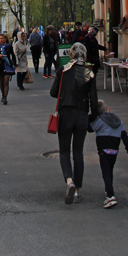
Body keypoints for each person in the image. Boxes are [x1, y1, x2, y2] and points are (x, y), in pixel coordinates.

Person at [50, 42, 98, 204]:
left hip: (66, 114)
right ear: (84, 55)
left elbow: (53, 92)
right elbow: (94, 101)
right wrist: (92, 119)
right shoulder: (90, 73)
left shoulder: (63, 71)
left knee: (64, 151)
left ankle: (69, 182)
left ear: (71, 54)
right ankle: (77, 190)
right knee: (78, 152)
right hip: (82, 115)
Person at [89, 100, 128, 208]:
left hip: (104, 150)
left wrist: (90, 116)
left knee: (106, 172)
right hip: (114, 150)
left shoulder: (100, 120)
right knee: (110, 171)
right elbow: (124, 135)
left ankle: (111, 196)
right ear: (108, 109)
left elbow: (90, 128)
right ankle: (108, 190)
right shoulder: (118, 121)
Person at [0, 33, 16, 104]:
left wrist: (14, 63)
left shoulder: (9, 47)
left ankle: (5, 97)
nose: (1, 40)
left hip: (8, 65)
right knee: (1, 82)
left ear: (5, 39)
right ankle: (3, 94)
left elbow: (13, 55)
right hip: (0, 65)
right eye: (0, 38)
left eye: (2, 38)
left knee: (6, 81)